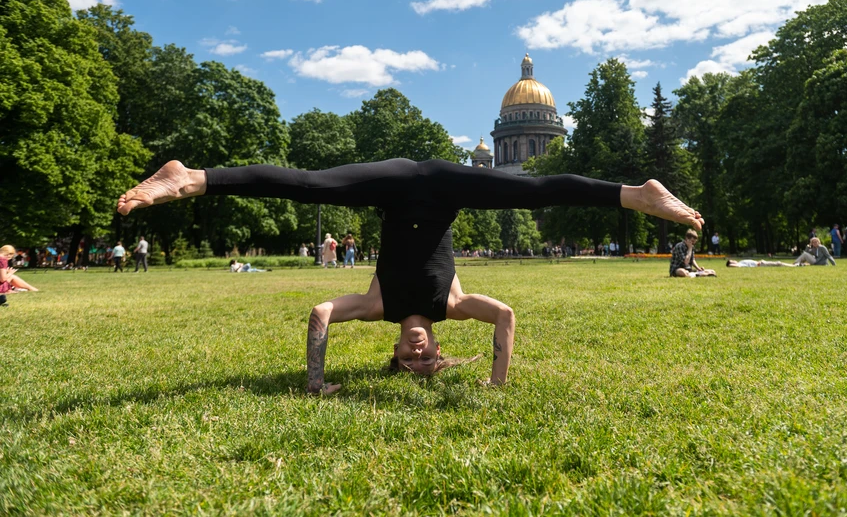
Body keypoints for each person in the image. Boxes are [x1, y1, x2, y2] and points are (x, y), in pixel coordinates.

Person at [117, 158, 704, 393]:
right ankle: (636, 194)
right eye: (430, 360)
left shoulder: (377, 304)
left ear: (397, 351)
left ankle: (190, 178)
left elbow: (321, 313)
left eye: (411, 360)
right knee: (532, 192)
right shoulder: (453, 302)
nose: (421, 355)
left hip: (396, 186)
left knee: (308, 184)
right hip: (447, 187)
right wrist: (497, 381)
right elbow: (505, 317)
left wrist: (316, 380)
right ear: (436, 345)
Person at [726, 259, 792, 267]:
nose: (734, 260)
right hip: (760, 264)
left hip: (760, 262)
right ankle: (792, 266)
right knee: (778, 263)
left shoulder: (740, 262)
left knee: (778, 263)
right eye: (732, 261)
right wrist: (730, 264)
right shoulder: (739, 264)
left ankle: (792, 265)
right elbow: (731, 266)